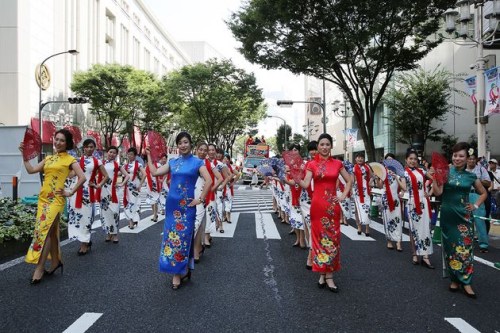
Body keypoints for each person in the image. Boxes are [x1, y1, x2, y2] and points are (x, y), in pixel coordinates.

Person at [146, 132, 212, 290]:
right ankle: (183, 269)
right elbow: (155, 172)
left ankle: (178, 272)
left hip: (187, 208)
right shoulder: (173, 162)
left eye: (185, 142)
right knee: (172, 238)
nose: (183, 145)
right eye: (180, 143)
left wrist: (201, 199)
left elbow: (209, 180)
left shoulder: (198, 162)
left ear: (190, 144)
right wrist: (148, 155)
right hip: (172, 207)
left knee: (182, 238)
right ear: (177, 146)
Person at [19, 129, 86, 284]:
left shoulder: (70, 159)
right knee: (50, 232)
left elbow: (82, 177)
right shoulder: (48, 158)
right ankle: (55, 262)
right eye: (56, 139)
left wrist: (69, 192)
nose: (58, 142)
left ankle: (39, 268)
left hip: (56, 200)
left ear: (67, 143)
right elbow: (31, 170)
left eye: (62, 140)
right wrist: (24, 155)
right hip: (43, 199)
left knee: (45, 230)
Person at [432, 142, 487, 298]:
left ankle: (467, 282)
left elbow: (483, 193)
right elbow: (438, 192)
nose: (457, 158)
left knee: (465, 250)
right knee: (450, 249)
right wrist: (435, 177)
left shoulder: (471, 176)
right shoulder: (445, 171)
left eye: (461, 156)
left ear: (468, 157)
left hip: (464, 217)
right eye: (455, 155)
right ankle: (454, 280)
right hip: (448, 216)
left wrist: (475, 206)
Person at [298, 133, 352, 292]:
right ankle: (323, 274)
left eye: (327, 144)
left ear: (331, 146)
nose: (324, 147)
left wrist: (342, 196)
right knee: (319, 240)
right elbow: (306, 183)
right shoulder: (311, 164)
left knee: (333, 239)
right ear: (318, 146)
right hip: (317, 205)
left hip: (332, 206)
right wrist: (296, 175)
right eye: (322, 144)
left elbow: (349, 180)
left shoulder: (338, 163)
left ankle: (329, 276)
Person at [68, 138, 109, 255]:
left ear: (94, 148)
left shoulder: (97, 162)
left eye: (92, 147)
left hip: (88, 192)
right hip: (76, 191)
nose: (89, 149)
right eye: (87, 147)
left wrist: (97, 185)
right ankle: (85, 240)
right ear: (84, 148)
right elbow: (71, 175)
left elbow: (106, 176)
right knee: (77, 216)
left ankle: (84, 244)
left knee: (86, 218)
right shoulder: (77, 160)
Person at [404, 148, 434, 268]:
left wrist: (430, 192)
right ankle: (415, 253)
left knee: (425, 228)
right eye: (411, 158)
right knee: (413, 229)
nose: (413, 161)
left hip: (424, 202)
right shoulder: (403, 173)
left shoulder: (422, 170)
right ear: (406, 160)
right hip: (412, 202)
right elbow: (403, 187)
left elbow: (434, 179)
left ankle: (426, 256)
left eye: (415, 159)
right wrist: (396, 177)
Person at [97, 146, 128, 244]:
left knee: (115, 213)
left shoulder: (117, 165)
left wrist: (121, 184)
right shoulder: (101, 164)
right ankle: (108, 233)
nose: (112, 154)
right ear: (107, 152)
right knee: (105, 214)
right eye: (110, 152)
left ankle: (115, 234)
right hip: (103, 192)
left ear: (116, 155)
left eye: (114, 153)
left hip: (113, 193)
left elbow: (127, 176)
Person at [378, 153, 405, 251]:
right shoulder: (383, 172)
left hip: (395, 198)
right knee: (387, 220)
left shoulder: (399, 171)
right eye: (387, 160)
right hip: (386, 198)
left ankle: (398, 242)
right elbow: (380, 186)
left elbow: (404, 187)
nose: (389, 162)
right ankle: (389, 240)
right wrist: (380, 177)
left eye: (391, 160)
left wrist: (402, 192)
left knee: (397, 219)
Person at [465, 149, 491, 252]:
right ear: (467, 159)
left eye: (473, 159)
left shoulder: (481, 169)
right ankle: (467, 243)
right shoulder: (462, 170)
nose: (471, 161)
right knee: (466, 221)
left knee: (479, 221)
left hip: (477, 195)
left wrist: (477, 181)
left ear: (476, 160)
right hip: (465, 195)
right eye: (469, 159)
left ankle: (483, 245)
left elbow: (488, 183)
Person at [300, 141, 317, 270]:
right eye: (311, 150)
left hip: (320, 199)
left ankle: (312, 255)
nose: (313, 152)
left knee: (315, 228)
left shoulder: (328, 164)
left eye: (314, 149)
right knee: (309, 227)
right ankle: (311, 254)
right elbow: (304, 182)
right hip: (306, 199)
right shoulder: (306, 165)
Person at [123, 147, 145, 230]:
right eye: (128, 154)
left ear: (135, 156)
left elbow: (145, 174)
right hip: (127, 186)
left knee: (134, 203)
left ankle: (132, 222)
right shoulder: (126, 165)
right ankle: (132, 221)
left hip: (135, 186)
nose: (129, 156)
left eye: (131, 154)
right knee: (128, 203)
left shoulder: (138, 165)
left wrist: (140, 185)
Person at [352, 153, 372, 236]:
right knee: (358, 209)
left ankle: (367, 228)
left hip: (366, 190)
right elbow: (352, 180)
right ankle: (359, 226)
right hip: (357, 191)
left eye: (362, 158)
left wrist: (372, 179)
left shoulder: (367, 167)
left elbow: (370, 178)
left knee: (367, 209)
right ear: (355, 159)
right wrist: (350, 189)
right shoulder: (353, 168)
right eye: (358, 157)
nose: (360, 159)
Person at [488, 158, 500, 222]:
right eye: (490, 163)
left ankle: (497, 219)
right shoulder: (488, 173)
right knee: (492, 204)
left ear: (496, 164)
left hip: (498, 191)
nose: (490, 164)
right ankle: (493, 218)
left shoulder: (499, 172)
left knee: (497, 205)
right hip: (491, 191)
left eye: (492, 163)